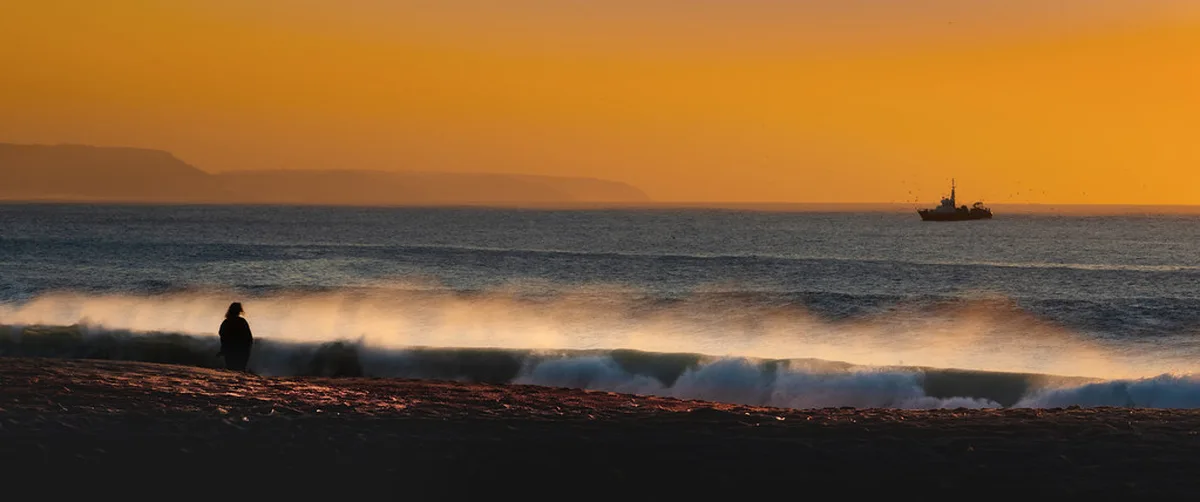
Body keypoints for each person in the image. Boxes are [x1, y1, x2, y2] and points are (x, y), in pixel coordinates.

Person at [217, 302, 254, 372]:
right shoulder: (242, 321)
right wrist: (248, 348)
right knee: (240, 369)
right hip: (242, 349)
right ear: (239, 311)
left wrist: (223, 349)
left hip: (230, 350)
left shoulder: (226, 322)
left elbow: (222, 336)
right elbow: (249, 337)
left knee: (231, 368)